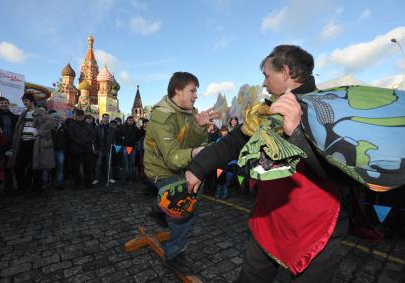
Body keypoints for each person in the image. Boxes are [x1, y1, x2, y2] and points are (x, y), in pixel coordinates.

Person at [186, 45, 350, 282]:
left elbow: (343, 172)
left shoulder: (331, 110)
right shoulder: (266, 111)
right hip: (269, 218)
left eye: (266, 75)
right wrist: (198, 168)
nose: (263, 83)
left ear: (285, 72)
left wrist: (295, 132)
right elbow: (235, 141)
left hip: (317, 228)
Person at [144, 71, 218, 274]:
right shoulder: (163, 116)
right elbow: (173, 158)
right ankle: (174, 253)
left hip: (177, 167)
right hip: (161, 170)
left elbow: (190, 142)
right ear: (177, 90)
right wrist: (196, 152)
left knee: (184, 203)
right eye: (192, 91)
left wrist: (198, 126)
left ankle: (159, 209)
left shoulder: (188, 111)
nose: (196, 96)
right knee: (183, 212)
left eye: (196, 91)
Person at [7, 93, 55, 193]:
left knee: (36, 166)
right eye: (23, 101)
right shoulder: (24, 112)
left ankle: (36, 187)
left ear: (32, 101)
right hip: (22, 142)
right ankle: (23, 185)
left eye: (26, 101)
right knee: (18, 165)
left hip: (34, 143)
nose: (24, 103)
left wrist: (39, 132)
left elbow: (51, 122)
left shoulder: (40, 111)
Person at [67, 109, 94, 190]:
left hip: (87, 149)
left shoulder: (89, 125)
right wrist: (79, 141)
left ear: (83, 116)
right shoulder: (72, 125)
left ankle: (88, 183)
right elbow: (71, 136)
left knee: (87, 167)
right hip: (76, 148)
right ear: (76, 116)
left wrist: (84, 141)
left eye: (81, 116)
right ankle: (77, 183)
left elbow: (91, 135)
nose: (80, 117)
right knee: (76, 167)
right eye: (78, 116)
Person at [93, 113, 117, 185]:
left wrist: (114, 143)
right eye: (105, 117)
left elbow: (114, 138)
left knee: (109, 164)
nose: (106, 119)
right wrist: (96, 147)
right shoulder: (98, 127)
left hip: (108, 148)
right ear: (102, 118)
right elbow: (95, 138)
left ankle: (110, 178)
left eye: (107, 118)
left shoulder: (112, 128)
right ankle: (97, 178)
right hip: (100, 148)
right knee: (98, 164)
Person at [118, 116, 141, 181]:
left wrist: (135, 140)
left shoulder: (136, 128)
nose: (131, 121)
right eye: (129, 120)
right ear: (127, 120)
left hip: (133, 147)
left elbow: (139, 135)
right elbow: (119, 134)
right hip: (125, 147)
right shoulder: (122, 127)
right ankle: (125, 176)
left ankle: (131, 176)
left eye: (132, 120)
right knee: (125, 162)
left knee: (132, 162)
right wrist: (123, 139)